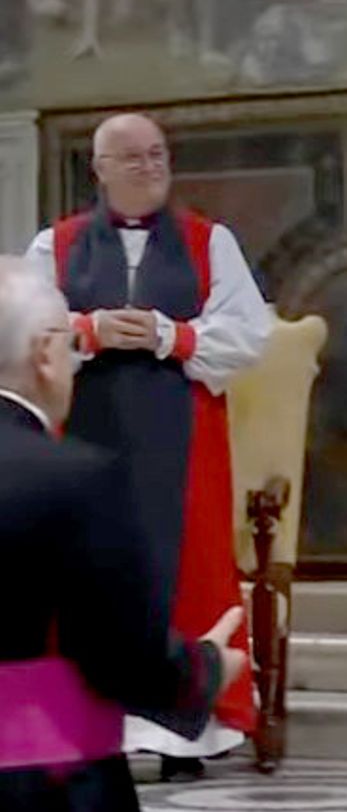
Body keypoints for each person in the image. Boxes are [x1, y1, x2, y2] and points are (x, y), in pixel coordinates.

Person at [26, 113, 272, 782]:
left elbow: (249, 333)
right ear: (99, 169)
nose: (150, 166)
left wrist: (173, 336)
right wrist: (88, 330)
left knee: (186, 573)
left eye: (158, 154)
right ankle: (84, 729)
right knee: (84, 576)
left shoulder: (209, 241)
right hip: (82, 436)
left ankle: (182, 735)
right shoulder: (57, 244)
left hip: (184, 439)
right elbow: (21, 327)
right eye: (132, 157)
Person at [0, 256, 247, 812]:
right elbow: (118, 654)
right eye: (70, 345)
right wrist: (203, 670)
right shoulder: (75, 477)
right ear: (44, 355)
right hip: (38, 776)